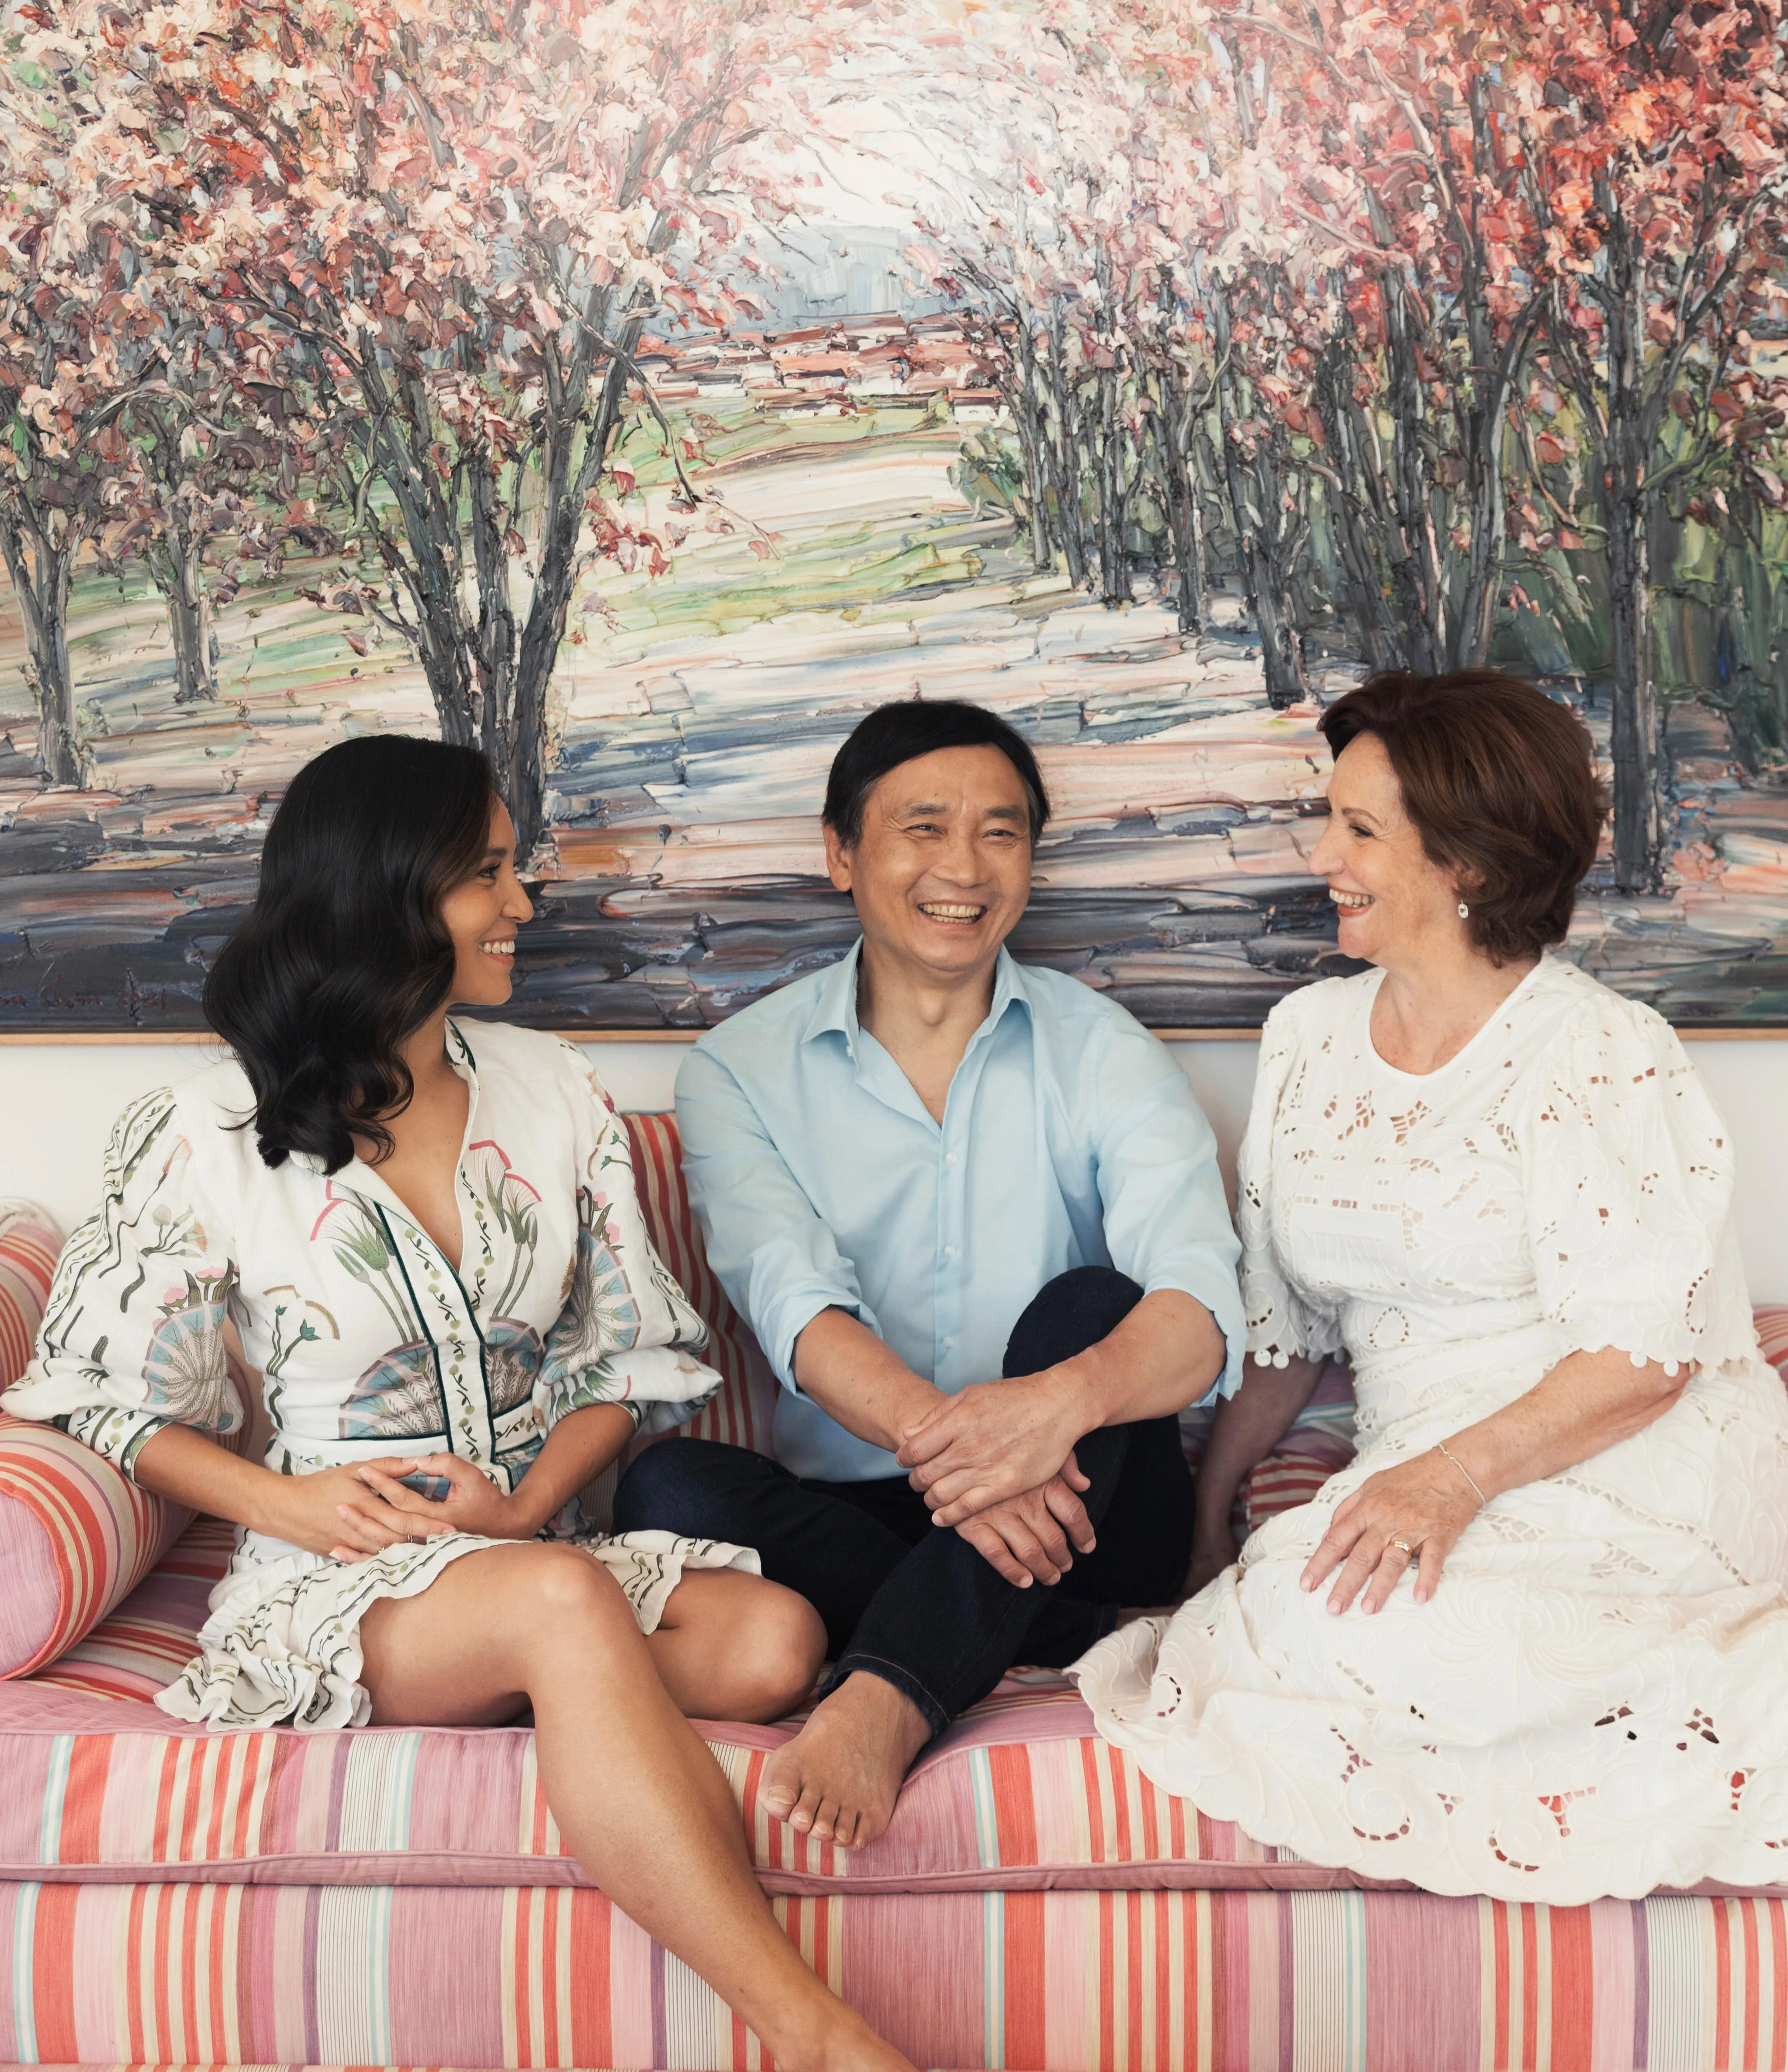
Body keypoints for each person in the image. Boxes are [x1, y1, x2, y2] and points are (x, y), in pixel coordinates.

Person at [3, 736, 915, 2072]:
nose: (525, 902)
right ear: (390, 894)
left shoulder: (554, 1093)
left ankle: (541, 1673)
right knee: (562, 1605)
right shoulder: (205, 1125)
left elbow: (631, 1357)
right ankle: (813, 2031)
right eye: (491, 871)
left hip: (531, 1539)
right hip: (338, 1577)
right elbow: (95, 1397)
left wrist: (535, 1501)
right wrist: (288, 1502)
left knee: (774, 1640)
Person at [1073, 668, 1788, 1903]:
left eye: (1359, 829)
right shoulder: (1303, 1035)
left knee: (1391, 1634)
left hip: (1618, 1460)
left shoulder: (1601, 1049)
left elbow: (1644, 1357)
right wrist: (1207, 1516)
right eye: (1328, 816)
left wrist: (1450, 1479)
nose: (1323, 855)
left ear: (1467, 861)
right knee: (1288, 1621)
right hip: (1414, 1460)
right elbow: (1285, 1333)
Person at [615, 697, 1245, 1850]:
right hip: (877, 1507)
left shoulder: (1105, 1050)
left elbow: (1203, 1313)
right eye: (924, 826)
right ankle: (1049, 1624)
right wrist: (971, 1464)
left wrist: (1043, 1417)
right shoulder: (738, 1069)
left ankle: (895, 1687)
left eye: (1001, 832)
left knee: (1093, 1307)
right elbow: (794, 1309)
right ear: (840, 850)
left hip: (1094, 1498)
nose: (964, 866)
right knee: (665, 1490)